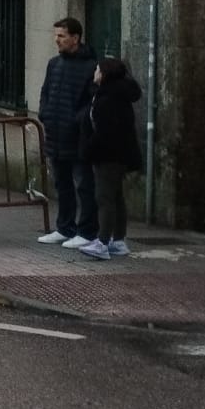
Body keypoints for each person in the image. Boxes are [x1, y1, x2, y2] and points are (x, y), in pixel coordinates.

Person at [35, 17, 99, 248]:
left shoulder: (91, 66)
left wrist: (76, 120)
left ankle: (87, 230)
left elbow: (93, 100)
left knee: (83, 184)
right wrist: (45, 114)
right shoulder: (54, 64)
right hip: (55, 133)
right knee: (62, 184)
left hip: (78, 136)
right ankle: (65, 227)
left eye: (61, 36)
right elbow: (45, 91)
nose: (57, 40)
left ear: (75, 38)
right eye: (56, 35)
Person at [76, 57, 142, 259]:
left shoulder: (108, 99)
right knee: (116, 196)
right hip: (119, 154)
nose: (94, 73)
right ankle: (118, 240)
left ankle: (103, 241)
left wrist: (88, 149)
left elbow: (104, 132)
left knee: (104, 197)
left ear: (104, 74)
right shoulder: (116, 95)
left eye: (97, 70)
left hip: (108, 156)